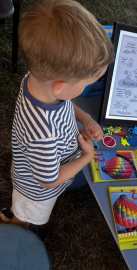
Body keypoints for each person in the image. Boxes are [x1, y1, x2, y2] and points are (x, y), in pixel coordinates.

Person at [0, 0, 114, 241]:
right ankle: (17, 229)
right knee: (27, 213)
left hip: (35, 169)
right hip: (36, 191)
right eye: (87, 84)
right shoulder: (42, 133)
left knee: (22, 204)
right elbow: (48, 181)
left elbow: (65, 104)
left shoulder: (36, 81)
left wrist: (83, 116)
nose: (88, 87)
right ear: (60, 88)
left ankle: (15, 212)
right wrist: (87, 156)